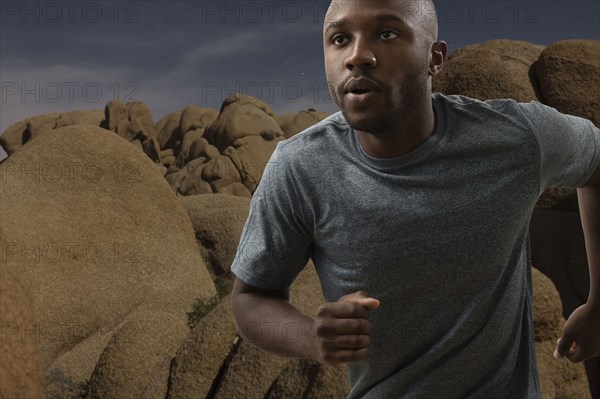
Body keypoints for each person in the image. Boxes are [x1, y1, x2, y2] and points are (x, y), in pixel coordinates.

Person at [230, 0, 600, 397]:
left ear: (434, 58)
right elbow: (251, 298)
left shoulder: (516, 138)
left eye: (386, 33)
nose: (357, 56)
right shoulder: (299, 167)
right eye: (339, 39)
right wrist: (309, 337)